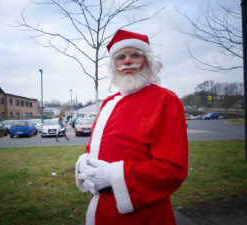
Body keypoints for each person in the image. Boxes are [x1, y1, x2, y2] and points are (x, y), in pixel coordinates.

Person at [75, 29, 188, 225]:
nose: (127, 61)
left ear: (148, 61)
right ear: (115, 65)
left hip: (144, 214)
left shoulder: (165, 100)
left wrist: (112, 175)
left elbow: (172, 169)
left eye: (135, 55)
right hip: (102, 209)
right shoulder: (109, 102)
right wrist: (85, 161)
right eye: (121, 57)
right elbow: (98, 145)